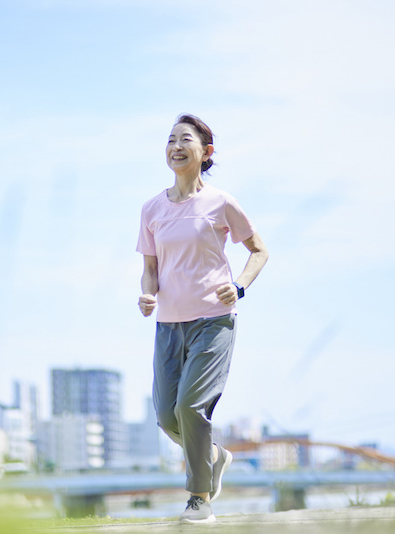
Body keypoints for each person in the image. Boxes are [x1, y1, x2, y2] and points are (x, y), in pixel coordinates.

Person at [136, 114, 269, 523]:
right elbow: (151, 267)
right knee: (166, 415)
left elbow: (259, 250)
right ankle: (213, 456)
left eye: (185, 139)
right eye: (170, 139)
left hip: (214, 320)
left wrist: (240, 286)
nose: (175, 145)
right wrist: (146, 293)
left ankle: (199, 498)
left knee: (192, 409)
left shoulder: (221, 203)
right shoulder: (152, 208)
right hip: (169, 324)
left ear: (206, 152)